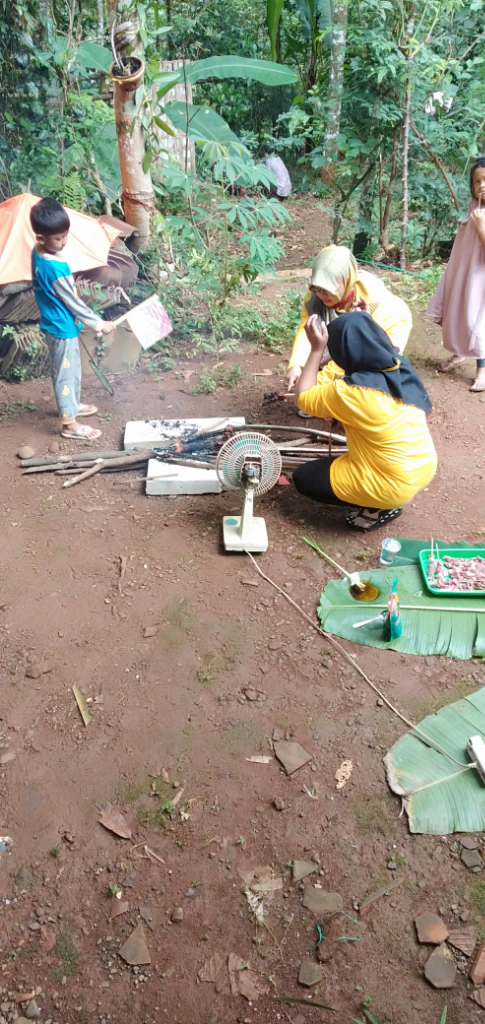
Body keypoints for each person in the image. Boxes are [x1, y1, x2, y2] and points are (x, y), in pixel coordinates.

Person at [292, 311, 437, 531]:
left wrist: (316, 350)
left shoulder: (351, 392)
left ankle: (378, 507)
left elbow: (302, 397)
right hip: (421, 467)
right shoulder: (398, 365)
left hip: (392, 483)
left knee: (304, 478)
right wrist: (365, 324)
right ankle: (383, 497)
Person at [30, 197, 115, 440]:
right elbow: (73, 302)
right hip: (61, 327)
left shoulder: (38, 252)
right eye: (58, 238)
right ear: (41, 238)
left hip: (57, 323)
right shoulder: (54, 269)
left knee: (71, 369)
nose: (64, 241)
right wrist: (99, 323)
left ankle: (71, 405)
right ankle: (68, 424)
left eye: (65, 235)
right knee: (66, 373)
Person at [286, 245, 412, 393]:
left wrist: (317, 383)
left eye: (327, 291)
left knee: (374, 370)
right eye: (317, 289)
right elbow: (307, 330)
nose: (321, 295)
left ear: (347, 280)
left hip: (389, 327)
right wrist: (296, 364)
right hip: (347, 325)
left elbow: (363, 348)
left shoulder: (370, 297)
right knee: (322, 350)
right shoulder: (314, 296)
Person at [426, 156, 485, 392]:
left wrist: (481, 228)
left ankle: (482, 369)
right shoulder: (475, 206)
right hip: (464, 273)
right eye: (477, 181)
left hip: (481, 279)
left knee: (477, 321)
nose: (481, 185)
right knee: (458, 312)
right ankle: (459, 353)